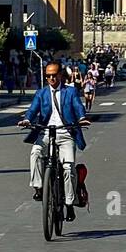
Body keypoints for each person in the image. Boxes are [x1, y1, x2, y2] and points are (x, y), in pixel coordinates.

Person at [18, 61, 90, 220]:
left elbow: (78, 106)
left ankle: (70, 204)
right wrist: (27, 120)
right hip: (45, 133)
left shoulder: (70, 92)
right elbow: (32, 110)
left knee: (68, 168)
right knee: (35, 153)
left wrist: (82, 118)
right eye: (48, 75)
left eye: (54, 75)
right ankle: (38, 188)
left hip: (66, 132)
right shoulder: (41, 93)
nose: (51, 78)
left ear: (60, 75)